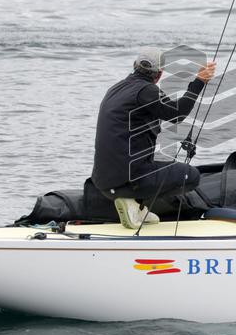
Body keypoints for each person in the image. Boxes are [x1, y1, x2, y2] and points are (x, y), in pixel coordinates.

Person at [91, 48, 216, 227]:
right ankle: (130, 201)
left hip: (102, 182)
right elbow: (177, 113)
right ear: (159, 74)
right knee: (191, 176)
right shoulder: (146, 91)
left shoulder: (116, 88)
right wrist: (199, 81)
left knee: (149, 162)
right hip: (125, 182)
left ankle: (137, 205)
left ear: (134, 66)